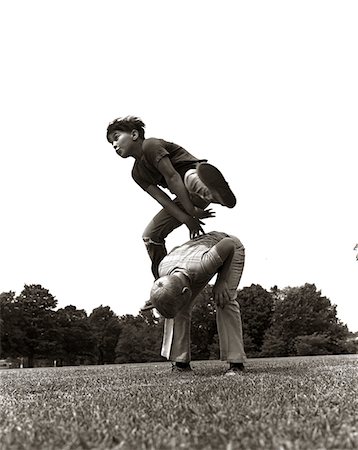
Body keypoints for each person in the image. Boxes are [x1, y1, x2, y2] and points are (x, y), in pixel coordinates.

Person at [106, 116, 237, 279]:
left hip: (193, 178)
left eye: (116, 138)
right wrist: (186, 218)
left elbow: (172, 177)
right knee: (150, 236)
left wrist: (190, 210)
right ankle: (164, 280)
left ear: (134, 134)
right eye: (111, 144)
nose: (114, 145)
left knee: (190, 179)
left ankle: (216, 194)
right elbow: (162, 199)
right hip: (185, 199)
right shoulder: (137, 173)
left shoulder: (150, 145)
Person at [141, 231, 246, 375]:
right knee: (179, 307)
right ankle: (180, 363)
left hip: (228, 246)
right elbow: (165, 287)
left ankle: (236, 363)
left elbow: (228, 246)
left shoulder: (203, 264)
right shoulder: (162, 269)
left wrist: (221, 281)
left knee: (224, 299)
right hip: (196, 257)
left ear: (186, 291)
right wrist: (158, 299)